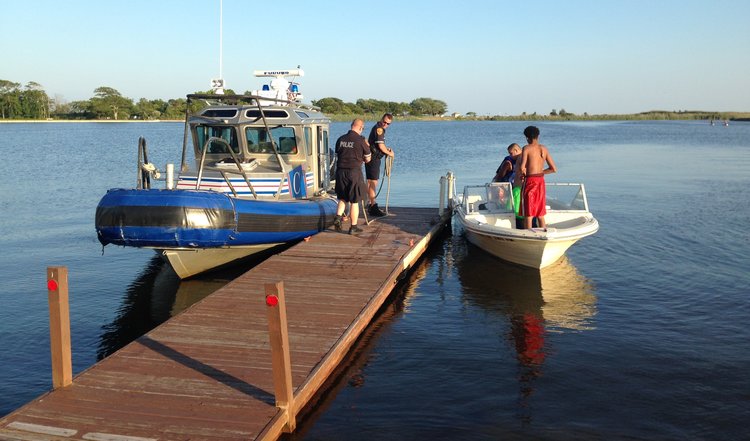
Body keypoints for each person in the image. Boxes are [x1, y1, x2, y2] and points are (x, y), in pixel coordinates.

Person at [333, 119, 371, 234]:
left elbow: (337, 154)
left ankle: (338, 218)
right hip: (354, 172)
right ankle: (353, 227)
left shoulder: (340, 139)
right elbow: (368, 158)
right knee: (355, 201)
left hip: (340, 172)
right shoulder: (361, 141)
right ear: (360, 128)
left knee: (343, 198)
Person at [519, 126, 557, 230]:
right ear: (538, 136)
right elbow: (553, 169)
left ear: (526, 138)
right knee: (540, 212)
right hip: (540, 181)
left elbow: (522, 167)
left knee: (528, 212)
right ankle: (543, 232)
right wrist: (540, 172)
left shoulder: (526, 148)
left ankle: (528, 234)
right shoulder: (544, 148)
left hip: (530, 181)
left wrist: (523, 174)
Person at [365, 113, 395, 217]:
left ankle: (369, 204)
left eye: (388, 124)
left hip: (370, 158)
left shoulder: (377, 127)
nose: (386, 124)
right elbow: (380, 146)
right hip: (374, 159)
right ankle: (373, 207)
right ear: (382, 119)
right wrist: (390, 153)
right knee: (373, 182)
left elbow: (380, 145)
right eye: (385, 122)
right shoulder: (379, 129)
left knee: (369, 182)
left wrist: (386, 149)